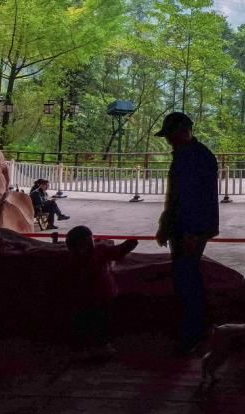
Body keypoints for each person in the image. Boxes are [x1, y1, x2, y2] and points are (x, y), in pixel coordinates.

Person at [154, 111, 220, 356]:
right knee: (185, 278)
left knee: (188, 279)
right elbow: (177, 197)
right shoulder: (191, 155)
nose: (168, 140)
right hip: (183, 227)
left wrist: (192, 231)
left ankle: (194, 333)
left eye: (169, 135)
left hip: (190, 228)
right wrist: (166, 225)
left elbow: (198, 199)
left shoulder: (196, 158)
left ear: (183, 132)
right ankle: (193, 331)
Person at [65, 226, 138, 359]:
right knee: (99, 322)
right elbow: (116, 252)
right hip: (99, 296)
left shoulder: (73, 258)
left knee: (88, 322)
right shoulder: (98, 251)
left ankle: (86, 348)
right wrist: (129, 244)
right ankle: (98, 347)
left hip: (86, 297)